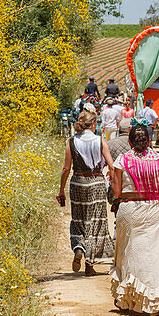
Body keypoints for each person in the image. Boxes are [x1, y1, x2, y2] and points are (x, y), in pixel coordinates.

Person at [111, 124, 159, 314]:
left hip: (131, 208)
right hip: (154, 208)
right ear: (149, 141)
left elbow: (116, 191)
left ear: (129, 142)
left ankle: (131, 299)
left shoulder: (123, 160)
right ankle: (155, 299)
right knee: (155, 253)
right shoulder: (158, 158)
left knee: (130, 252)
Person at [58, 111, 114, 275]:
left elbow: (66, 168)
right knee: (95, 223)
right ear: (94, 123)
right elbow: (111, 165)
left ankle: (78, 248)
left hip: (78, 183)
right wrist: (114, 181)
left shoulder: (71, 142)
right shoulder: (100, 141)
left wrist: (61, 190)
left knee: (79, 219)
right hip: (96, 183)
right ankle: (90, 266)